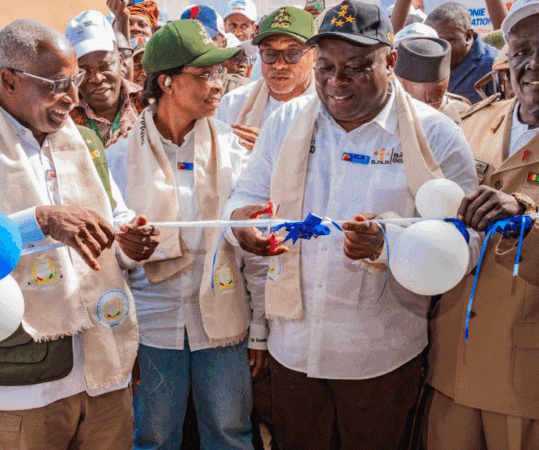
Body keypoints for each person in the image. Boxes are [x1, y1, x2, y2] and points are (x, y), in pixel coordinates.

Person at [224, 3, 479, 449]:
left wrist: (388, 246)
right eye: (325, 67)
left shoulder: (436, 136)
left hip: (380, 358)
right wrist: (240, 225)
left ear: (391, 60)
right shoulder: (286, 121)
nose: (337, 81)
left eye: (356, 68)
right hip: (294, 351)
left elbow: (467, 240)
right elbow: (245, 196)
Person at [0, 18, 159, 450]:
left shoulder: (84, 142)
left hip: (103, 372)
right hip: (18, 386)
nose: (73, 97)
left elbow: (113, 223)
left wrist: (130, 245)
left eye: (74, 82)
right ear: (9, 80)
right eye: (57, 84)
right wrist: (38, 221)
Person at [107, 19, 255, 450]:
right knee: (153, 438)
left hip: (223, 319)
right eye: (204, 74)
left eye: (219, 72)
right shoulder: (119, 157)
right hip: (153, 326)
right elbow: (109, 259)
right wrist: (129, 251)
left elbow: (252, 247)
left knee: (230, 434)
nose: (218, 84)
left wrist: (261, 329)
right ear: (166, 81)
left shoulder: (233, 149)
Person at [425, 0, 539, 447]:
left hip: (523, 378)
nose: (534, 64)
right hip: (452, 361)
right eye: (523, 50)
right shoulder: (472, 124)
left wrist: (525, 216)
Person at [217, 7, 316, 150]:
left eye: (292, 54)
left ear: (315, 56)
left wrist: (271, 152)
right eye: (270, 53)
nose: (279, 65)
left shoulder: (332, 111)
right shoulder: (234, 104)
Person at [67, 10, 144, 147]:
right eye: (84, 70)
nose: (96, 78)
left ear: (121, 61)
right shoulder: (63, 117)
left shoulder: (148, 104)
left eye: (105, 66)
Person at [425, 2, 500, 103]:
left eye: (444, 42)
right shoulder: (426, 62)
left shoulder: (495, 66)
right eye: (431, 42)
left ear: (468, 36)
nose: (436, 49)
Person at [395, 37, 471, 123]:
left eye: (436, 100)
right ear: (399, 85)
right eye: (418, 101)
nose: (428, 108)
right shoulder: (385, 115)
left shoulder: (465, 115)